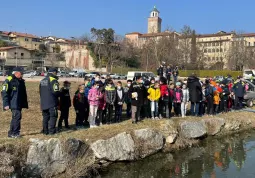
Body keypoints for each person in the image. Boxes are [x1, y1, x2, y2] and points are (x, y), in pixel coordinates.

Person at [1, 67, 28, 138]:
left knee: (15, 117)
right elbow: (4, 92)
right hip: (13, 103)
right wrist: (6, 104)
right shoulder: (9, 80)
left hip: (18, 103)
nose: (22, 75)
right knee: (17, 117)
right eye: (21, 73)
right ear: (16, 73)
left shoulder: (20, 80)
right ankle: (15, 133)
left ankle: (11, 133)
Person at [39, 68, 60, 135]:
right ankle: (52, 131)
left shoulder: (42, 80)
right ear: (54, 72)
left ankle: (45, 131)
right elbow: (55, 92)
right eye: (56, 73)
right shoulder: (54, 80)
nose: (56, 74)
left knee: (45, 117)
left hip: (44, 102)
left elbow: (40, 91)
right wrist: (60, 94)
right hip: (52, 102)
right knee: (53, 116)